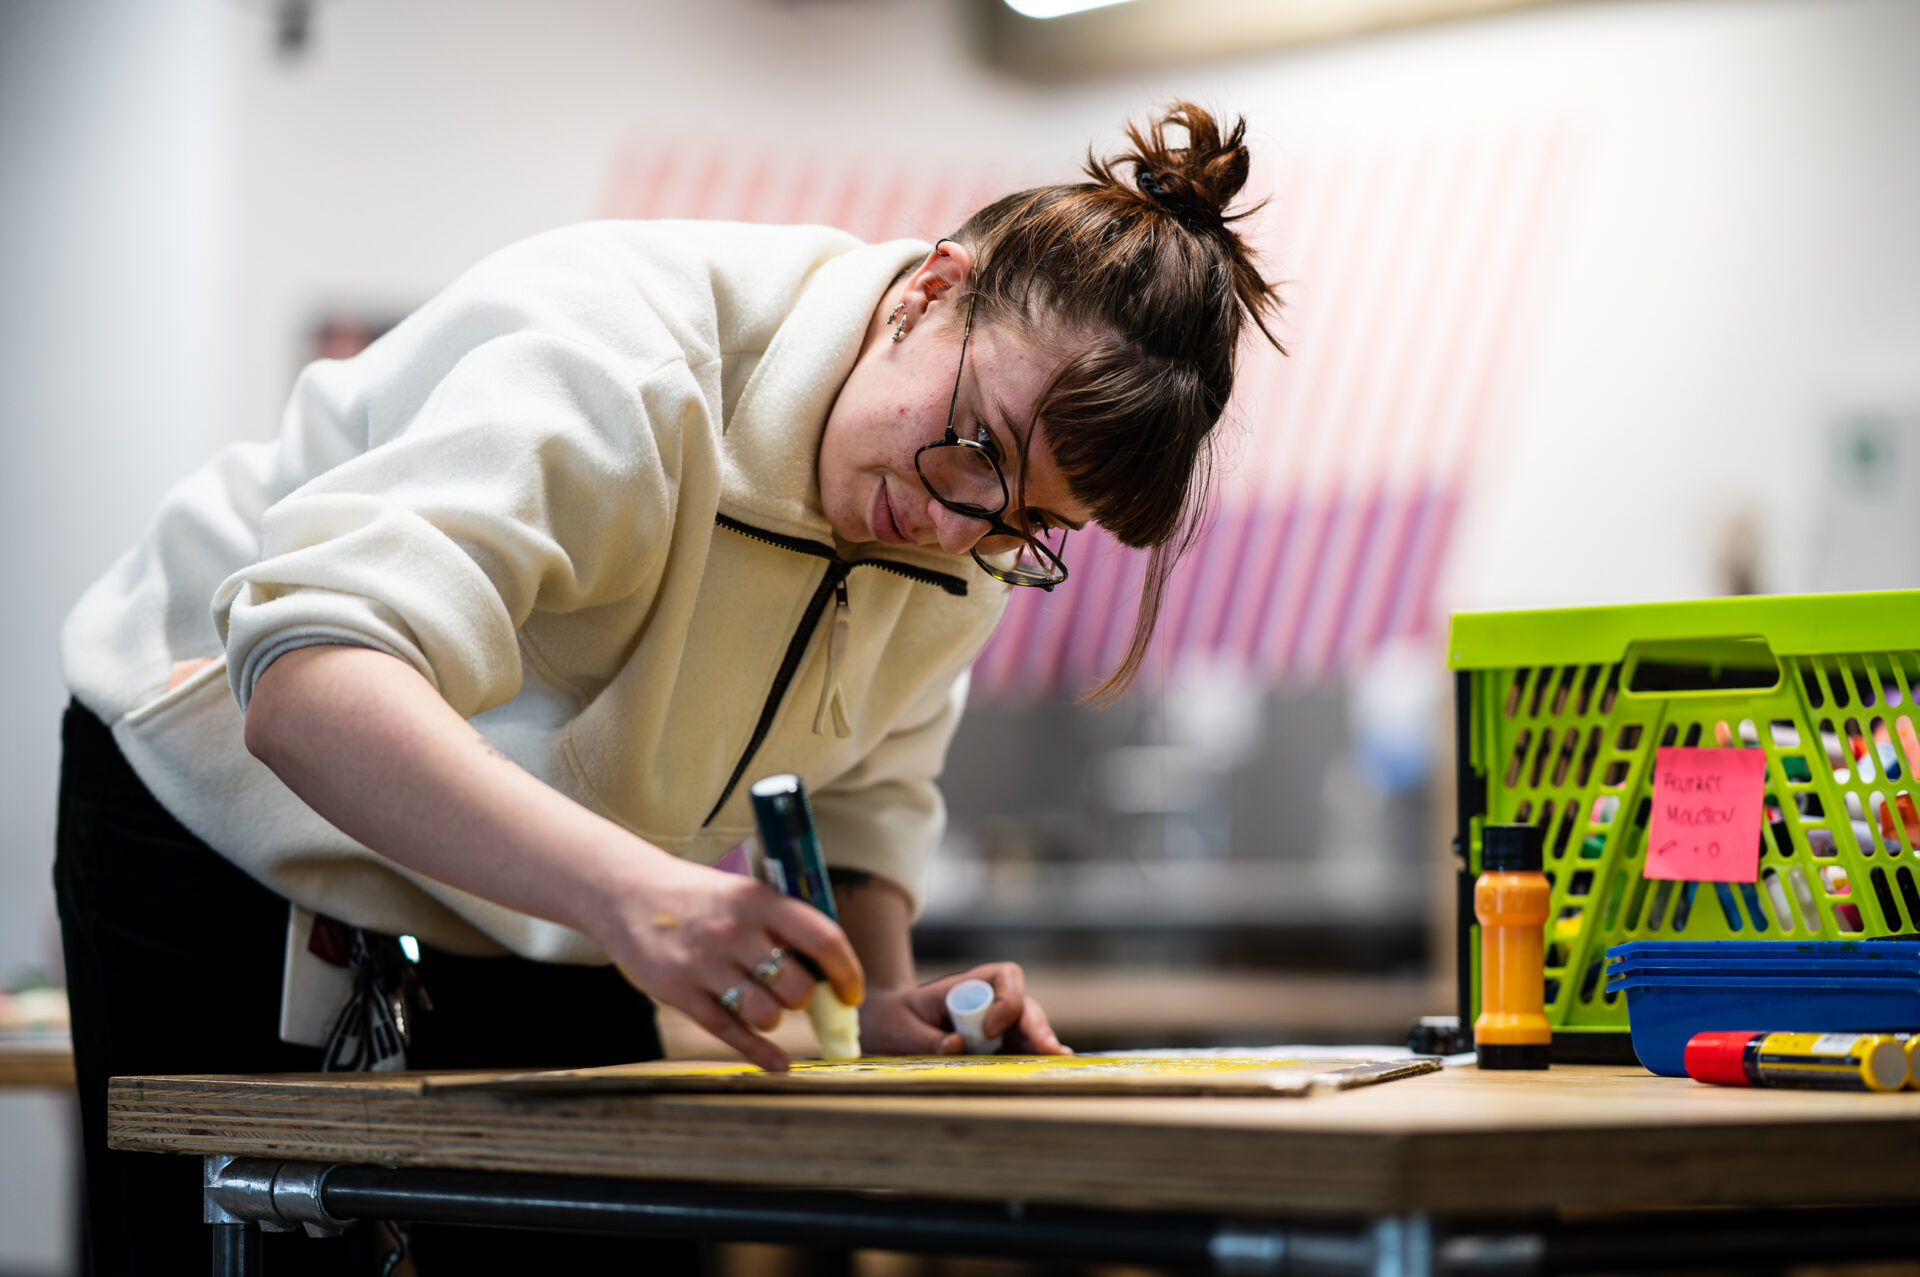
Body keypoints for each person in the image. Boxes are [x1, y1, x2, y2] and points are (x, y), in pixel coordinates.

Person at [55, 101, 1282, 1274]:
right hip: (220, 804)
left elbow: (869, 788)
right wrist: (640, 895)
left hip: (551, 884)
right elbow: (309, 680)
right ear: (929, 291)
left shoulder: (963, 517)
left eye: (1026, 523)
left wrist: (881, 1013)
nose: (958, 531)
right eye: (974, 449)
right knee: (248, 1244)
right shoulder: (627, 361)